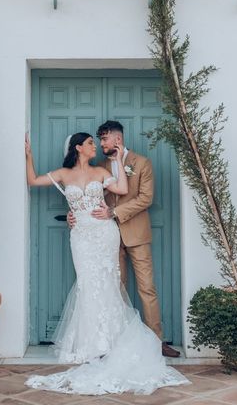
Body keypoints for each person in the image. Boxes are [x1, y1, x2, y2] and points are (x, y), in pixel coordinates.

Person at [24, 132, 189, 395]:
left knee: (110, 283)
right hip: (81, 237)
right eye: (90, 143)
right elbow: (32, 180)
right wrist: (28, 154)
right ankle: (91, 343)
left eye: (95, 142)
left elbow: (122, 190)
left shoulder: (101, 172)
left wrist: (122, 162)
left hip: (104, 233)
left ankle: (112, 341)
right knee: (87, 284)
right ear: (78, 148)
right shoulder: (64, 175)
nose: (95, 146)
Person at [69, 120, 181, 358]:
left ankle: (156, 342)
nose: (101, 144)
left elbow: (145, 198)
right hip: (104, 237)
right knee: (114, 289)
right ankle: (116, 341)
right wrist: (74, 214)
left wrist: (115, 212)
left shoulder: (142, 163)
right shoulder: (98, 166)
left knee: (146, 289)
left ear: (117, 140)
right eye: (98, 140)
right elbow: (87, 198)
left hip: (136, 234)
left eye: (105, 139)